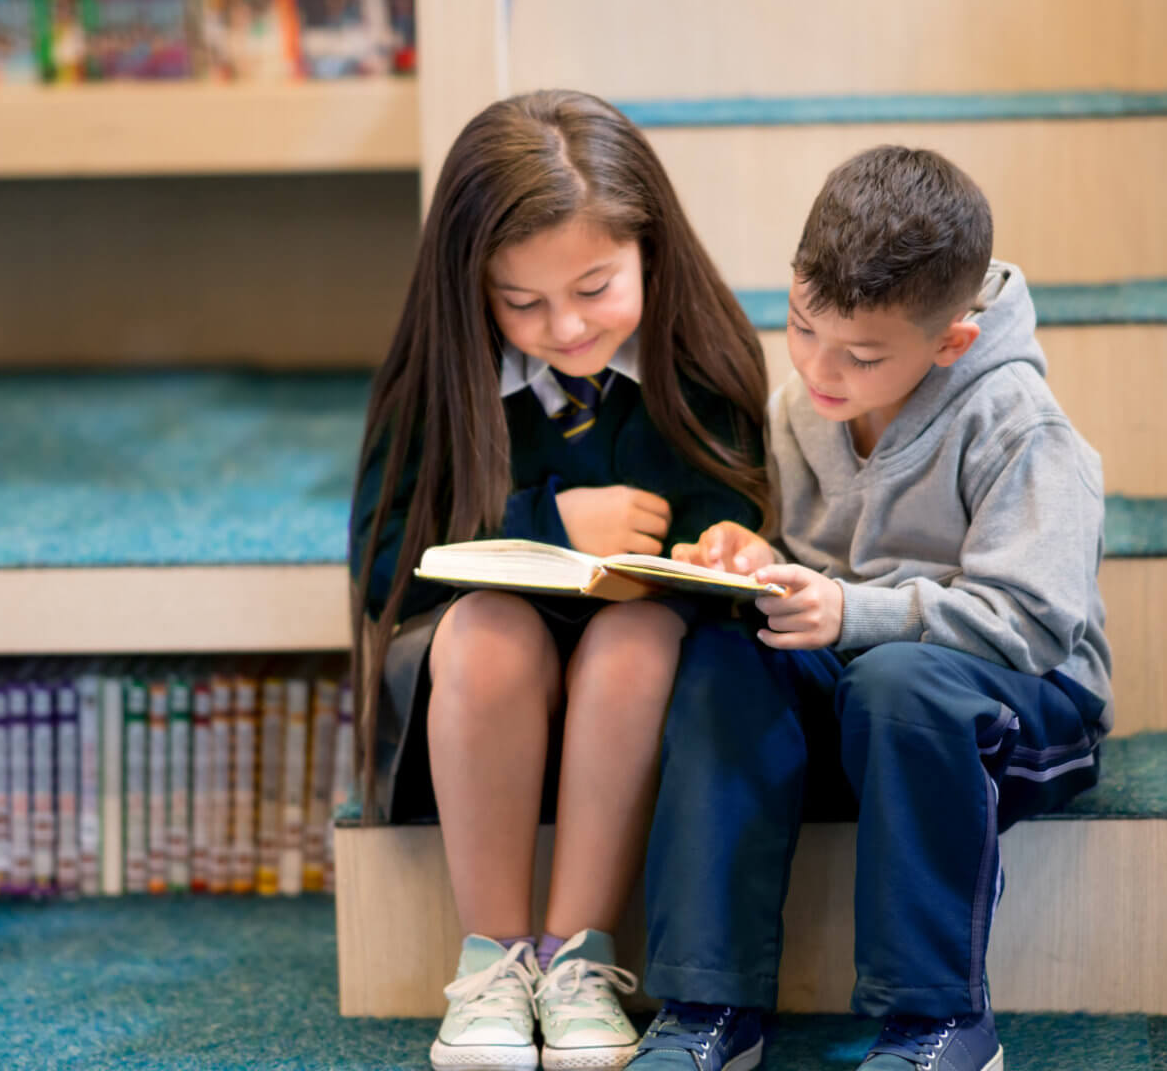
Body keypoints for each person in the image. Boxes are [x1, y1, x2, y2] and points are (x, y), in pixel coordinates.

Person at [632, 145, 1113, 1071]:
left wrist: (855, 616)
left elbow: (1036, 622)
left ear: (951, 342)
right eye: (802, 326)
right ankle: (706, 1006)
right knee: (728, 657)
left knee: (901, 681)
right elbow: (817, 578)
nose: (820, 368)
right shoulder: (801, 406)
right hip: (864, 695)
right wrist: (757, 561)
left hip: (1022, 706)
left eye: (860, 355)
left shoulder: (1021, 425)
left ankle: (941, 1021)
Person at [347, 89, 773, 1071]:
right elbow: (383, 565)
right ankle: (494, 961)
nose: (567, 328)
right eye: (523, 302)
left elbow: (733, 510)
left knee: (641, 635)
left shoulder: (699, 359)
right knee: (492, 630)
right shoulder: (438, 375)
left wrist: (723, 549)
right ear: (472, 288)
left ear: (650, 254)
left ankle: (580, 956)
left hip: (641, 671)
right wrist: (546, 526)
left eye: (595, 288)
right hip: (480, 682)